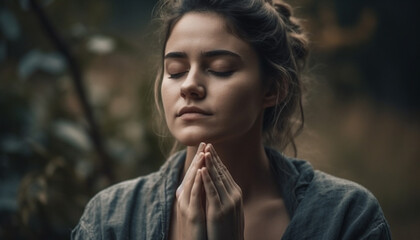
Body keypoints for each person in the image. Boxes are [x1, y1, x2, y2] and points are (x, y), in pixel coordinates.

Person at [71, 0, 392, 239]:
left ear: (273, 88)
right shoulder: (110, 220)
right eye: (175, 71)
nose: (190, 86)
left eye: (220, 68)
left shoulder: (347, 218)